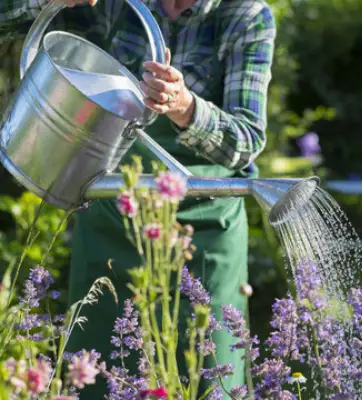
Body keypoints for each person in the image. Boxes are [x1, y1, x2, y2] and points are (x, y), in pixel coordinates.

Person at [0, 0, 275, 396]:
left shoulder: (245, 15)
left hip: (204, 224)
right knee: (98, 373)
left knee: (205, 374)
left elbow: (247, 141)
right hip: (113, 211)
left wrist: (185, 107)